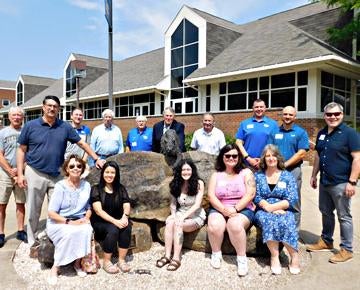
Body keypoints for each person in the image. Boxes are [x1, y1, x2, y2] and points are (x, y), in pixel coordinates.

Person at [17, 95, 105, 247]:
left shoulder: (64, 127)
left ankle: (54, 237)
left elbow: (82, 143)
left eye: (55, 106)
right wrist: (20, 174)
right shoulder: (30, 126)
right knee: (33, 208)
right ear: (43, 107)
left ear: (58, 109)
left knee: (59, 208)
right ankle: (32, 239)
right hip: (35, 171)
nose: (52, 109)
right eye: (49, 106)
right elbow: (21, 150)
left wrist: (96, 158)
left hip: (57, 173)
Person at [306, 102, 360, 263]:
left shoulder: (350, 134)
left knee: (344, 216)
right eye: (329, 114)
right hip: (325, 181)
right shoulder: (322, 133)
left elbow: (357, 158)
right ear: (324, 116)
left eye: (336, 114)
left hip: (342, 182)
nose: (333, 117)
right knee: (325, 212)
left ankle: (347, 249)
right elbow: (317, 155)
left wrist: (352, 181)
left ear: (342, 115)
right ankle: (326, 240)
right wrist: (314, 175)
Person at [207, 143, 255, 276]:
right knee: (215, 225)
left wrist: (236, 208)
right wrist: (223, 209)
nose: (231, 158)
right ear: (222, 157)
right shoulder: (216, 175)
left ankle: (241, 258)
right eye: (227, 155)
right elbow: (210, 195)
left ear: (239, 157)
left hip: (243, 208)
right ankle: (216, 253)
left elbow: (251, 193)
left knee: (234, 225)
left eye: (235, 155)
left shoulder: (246, 172)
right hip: (219, 207)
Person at [46, 155, 93, 285]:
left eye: (79, 166)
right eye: (72, 166)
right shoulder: (60, 186)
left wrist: (86, 217)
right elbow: (51, 213)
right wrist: (69, 222)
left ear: (83, 169)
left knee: (87, 230)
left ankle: (77, 264)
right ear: (67, 168)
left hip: (79, 219)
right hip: (59, 222)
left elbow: (89, 206)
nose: (75, 168)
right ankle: (55, 268)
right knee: (69, 233)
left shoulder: (86, 185)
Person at [254, 144, 300, 275]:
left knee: (286, 221)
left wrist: (274, 207)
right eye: (267, 156)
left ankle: (294, 256)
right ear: (263, 159)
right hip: (263, 209)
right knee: (269, 221)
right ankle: (274, 256)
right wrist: (268, 208)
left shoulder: (287, 176)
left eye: (273, 155)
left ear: (278, 158)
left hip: (283, 208)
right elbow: (255, 196)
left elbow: (292, 198)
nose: (271, 158)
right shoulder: (258, 176)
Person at [156, 159, 206, 271]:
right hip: (180, 213)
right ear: (179, 171)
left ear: (192, 170)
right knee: (169, 223)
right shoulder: (176, 183)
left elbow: (197, 205)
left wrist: (182, 217)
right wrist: (173, 215)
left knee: (178, 224)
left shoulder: (199, 184)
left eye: (188, 169)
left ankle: (176, 258)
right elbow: (173, 203)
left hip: (195, 216)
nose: (186, 172)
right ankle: (167, 255)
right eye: (183, 170)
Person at [268, 106, 309, 230]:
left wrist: (284, 165)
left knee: (294, 200)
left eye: (290, 115)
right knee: (276, 199)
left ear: (295, 117)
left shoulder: (300, 132)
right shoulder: (274, 132)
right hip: (275, 171)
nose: (287, 117)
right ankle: (278, 228)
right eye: (285, 114)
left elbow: (301, 153)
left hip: (293, 171)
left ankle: (294, 231)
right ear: (282, 115)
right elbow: (270, 149)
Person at [90, 161, 132, 274]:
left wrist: (125, 217)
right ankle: (107, 262)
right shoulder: (96, 189)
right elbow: (98, 211)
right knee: (113, 229)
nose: (109, 175)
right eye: (107, 172)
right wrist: (115, 222)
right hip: (100, 222)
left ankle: (121, 260)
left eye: (112, 172)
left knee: (126, 227)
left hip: (118, 218)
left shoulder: (120, 188)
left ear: (116, 174)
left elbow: (127, 204)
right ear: (102, 173)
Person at [0, 107, 27, 247]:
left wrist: (20, 170)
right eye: (14, 115)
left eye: (19, 115)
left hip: (22, 173)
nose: (16, 117)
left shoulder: (26, 132)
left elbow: (30, 153)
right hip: (5, 173)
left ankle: (21, 230)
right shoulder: (2, 133)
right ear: (9, 117)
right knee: (1, 204)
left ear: (22, 117)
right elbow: (0, 155)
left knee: (20, 203)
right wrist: (11, 171)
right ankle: (1, 233)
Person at [235, 99, 277, 169]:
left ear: (265, 108)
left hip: (266, 164)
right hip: (246, 164)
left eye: (261, 107)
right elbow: (238, 142)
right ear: (253, 108)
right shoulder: (244, 123)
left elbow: (275, 145)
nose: (259, 109)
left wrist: (263, 160)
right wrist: (248, 158)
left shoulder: (273, 124)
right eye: (256, 107)